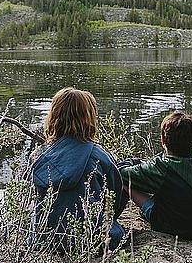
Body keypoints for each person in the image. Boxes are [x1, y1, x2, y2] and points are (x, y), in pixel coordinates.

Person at [31, 87, 125, 251]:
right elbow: (114, 198)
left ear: (54, 117)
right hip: (92, 240)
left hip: (44, 241)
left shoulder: (38, 156)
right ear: (89, 118)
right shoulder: (100, 156)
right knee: (117, 231)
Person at [119, 110, 192, 240]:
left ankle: (111, 219)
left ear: (163, 139)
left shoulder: (162, 167)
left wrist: (132, 162)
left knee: (125, 181)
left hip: (173, 227)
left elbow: (121, 173)